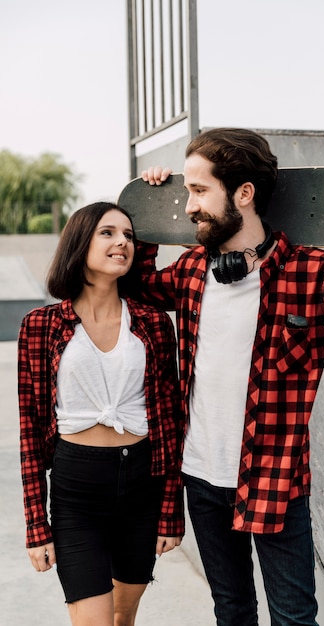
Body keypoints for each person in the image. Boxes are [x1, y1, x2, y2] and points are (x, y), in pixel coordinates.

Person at [134, 127, 324, 626]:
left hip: (276, 478)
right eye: (186, 191)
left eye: (199, 191)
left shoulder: (311, 273)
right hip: (201, 476)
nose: (188, 206)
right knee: (233, 610)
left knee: (293, 617)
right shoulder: (193, 271)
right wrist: (148, 215)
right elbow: (133, 289)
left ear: (244, 193)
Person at [18, 201, 184, 626]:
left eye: (128, 234)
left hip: (142, 486)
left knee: (122, 617)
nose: (122, 242)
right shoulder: (40, 325)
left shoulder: (152, 323)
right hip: (78, 489)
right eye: (107, 233)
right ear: (80, 243)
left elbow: (169, 423)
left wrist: (170, 510)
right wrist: (37, 524)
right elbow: (30, 429)